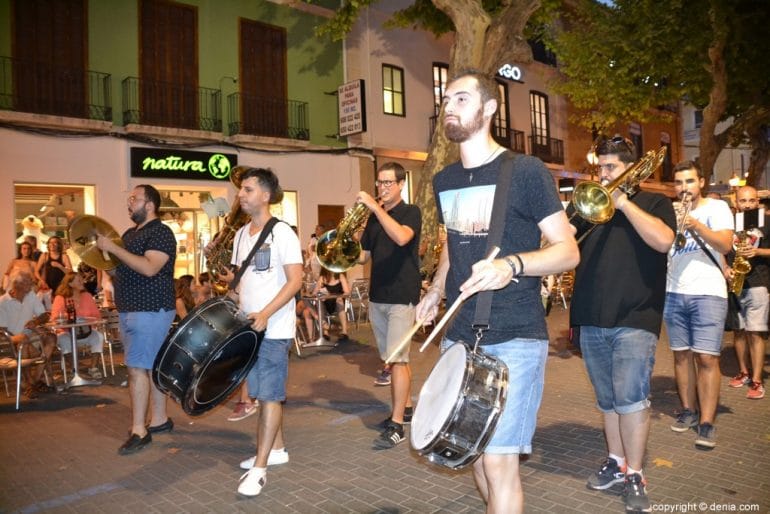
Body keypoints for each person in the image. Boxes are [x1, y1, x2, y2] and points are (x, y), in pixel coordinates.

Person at [415, 69, 579, 514]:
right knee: (473, 456)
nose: (449, 106)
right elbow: (455, 243)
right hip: (460, 335)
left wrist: (513, 264)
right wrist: (434, 289)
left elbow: (567, 251)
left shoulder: (525, 171)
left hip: (516, 336)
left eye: (462, 99)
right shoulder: (445, 180)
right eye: (446, 99)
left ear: (489, 109)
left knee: (499, 461)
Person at [569, 136, 676, 512]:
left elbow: (663, 241)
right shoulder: (588, 205)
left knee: (631, 398)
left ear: (631, 169)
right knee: (608, 399)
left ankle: (635, 472)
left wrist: (623, 203)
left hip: (636, 314)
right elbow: (564, 245)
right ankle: (616, 462)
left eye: (611, 168)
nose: (603, 175)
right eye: (600, 168)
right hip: (591, 315)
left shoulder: (654, 202)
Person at [222, 167, 303, 497]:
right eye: (241, 189)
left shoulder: (282, 232)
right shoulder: (241, 235)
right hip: (248, 327)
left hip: (274, 327)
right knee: (259, 391)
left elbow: (295, 280)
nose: (241, 194)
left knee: (269, 395)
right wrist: (231, 291)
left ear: (266, 196)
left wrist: (266, 314)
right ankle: (278, 449)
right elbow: (244, 280)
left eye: (248, 189)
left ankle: (260, 468)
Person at [96, 184, 177, 455]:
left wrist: (114, 249)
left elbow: (150, 267)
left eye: (134, 199)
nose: (129, 203)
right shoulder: (130, 234)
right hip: (130, 308)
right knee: (150, 366)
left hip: (150, 309)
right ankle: (159, 420)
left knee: (136, 369)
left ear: (150, 205)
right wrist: (104, 255)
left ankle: (139, 431)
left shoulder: (161, 233)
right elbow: (121, 268)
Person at [664, 160, 734, 450]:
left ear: (701, 182)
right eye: (679, 183)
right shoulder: (668, 211)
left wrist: (694, 223)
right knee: (681, 356)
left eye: (689, 181)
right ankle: (688, 411)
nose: (684, 188)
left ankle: (707, 421)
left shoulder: (717, 209)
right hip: (672, 291)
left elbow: (725, 245)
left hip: (708, 291)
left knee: (706, 358)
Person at [358, 161, 422, 450]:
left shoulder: (411, 212)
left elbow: (401, 237)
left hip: (401, 295)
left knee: (398, 359)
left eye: (387, 183)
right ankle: (406, 407)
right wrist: (342, 242)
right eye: (379, 183)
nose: (382, 188)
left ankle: (396, 424)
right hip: (378, 295)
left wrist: (375, 209)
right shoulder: (374, 218)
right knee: (393, 358)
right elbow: (362, 258)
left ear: (400, 184)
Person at [725, 185, 768, 399]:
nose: (748, 204)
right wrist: (725, 269)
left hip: (759, 282)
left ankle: (757, 380)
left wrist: (758, 251)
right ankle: (743, 372)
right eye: (743, 201)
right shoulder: (730, 223)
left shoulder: (766, 221)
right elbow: (722, 249)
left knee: (756, 332)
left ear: (758, 202)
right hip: (735, 282)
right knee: (739, 331)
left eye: (752, 200)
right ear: (736, 202)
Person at [0, 270, 57, 397]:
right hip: (12, 342)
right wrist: (17, 337)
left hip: (31, 337)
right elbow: (2, 331)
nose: (32, 284)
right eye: (28, 282)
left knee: (51, 338)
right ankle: (32, 383)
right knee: (23, 341)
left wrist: (35, 321)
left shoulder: (30, 295)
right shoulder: (3, 302)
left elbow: (44, 316)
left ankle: (33, 382)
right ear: (17, 284)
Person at [50, 271, 105, 378]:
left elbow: (97, 315)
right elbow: (55, 318)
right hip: (67, 332)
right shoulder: (60, 298)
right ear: (70, 283)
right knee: (63, 340)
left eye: (81, 280)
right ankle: (75, 370)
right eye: (78, 280)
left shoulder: (87, 296)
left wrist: (88, 320)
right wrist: (69, 318)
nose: (82, 282)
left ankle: (93, 368)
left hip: (85, 332)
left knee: (98, 336)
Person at [313, 267, 351, 341]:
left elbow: (347, 292)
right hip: (326, 303)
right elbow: (314, 293)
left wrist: (338, 296)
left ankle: (344, 332)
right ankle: (325, 331)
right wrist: (320, 291)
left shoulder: (340, 276)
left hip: (337, 302)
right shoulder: (322, 278)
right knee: (319, 302)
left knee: (339, 301)